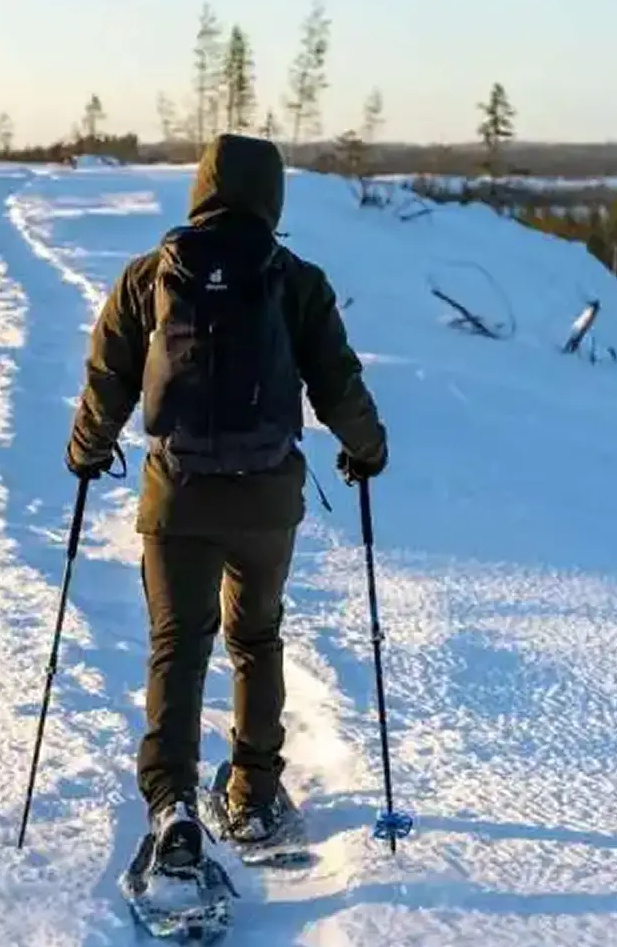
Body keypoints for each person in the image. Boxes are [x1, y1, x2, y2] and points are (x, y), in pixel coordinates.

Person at [63, 133, 388, 892]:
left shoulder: (153, 274)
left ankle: (173, 805)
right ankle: (252, 792)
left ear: (201, 189)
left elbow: (108, 376)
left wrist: (86, 451)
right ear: (270, 196)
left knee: (177, 645)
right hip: (268, 498)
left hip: (175, 496)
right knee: (256, 636)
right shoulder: (294, 278)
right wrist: (367, 450)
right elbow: (336, 380)